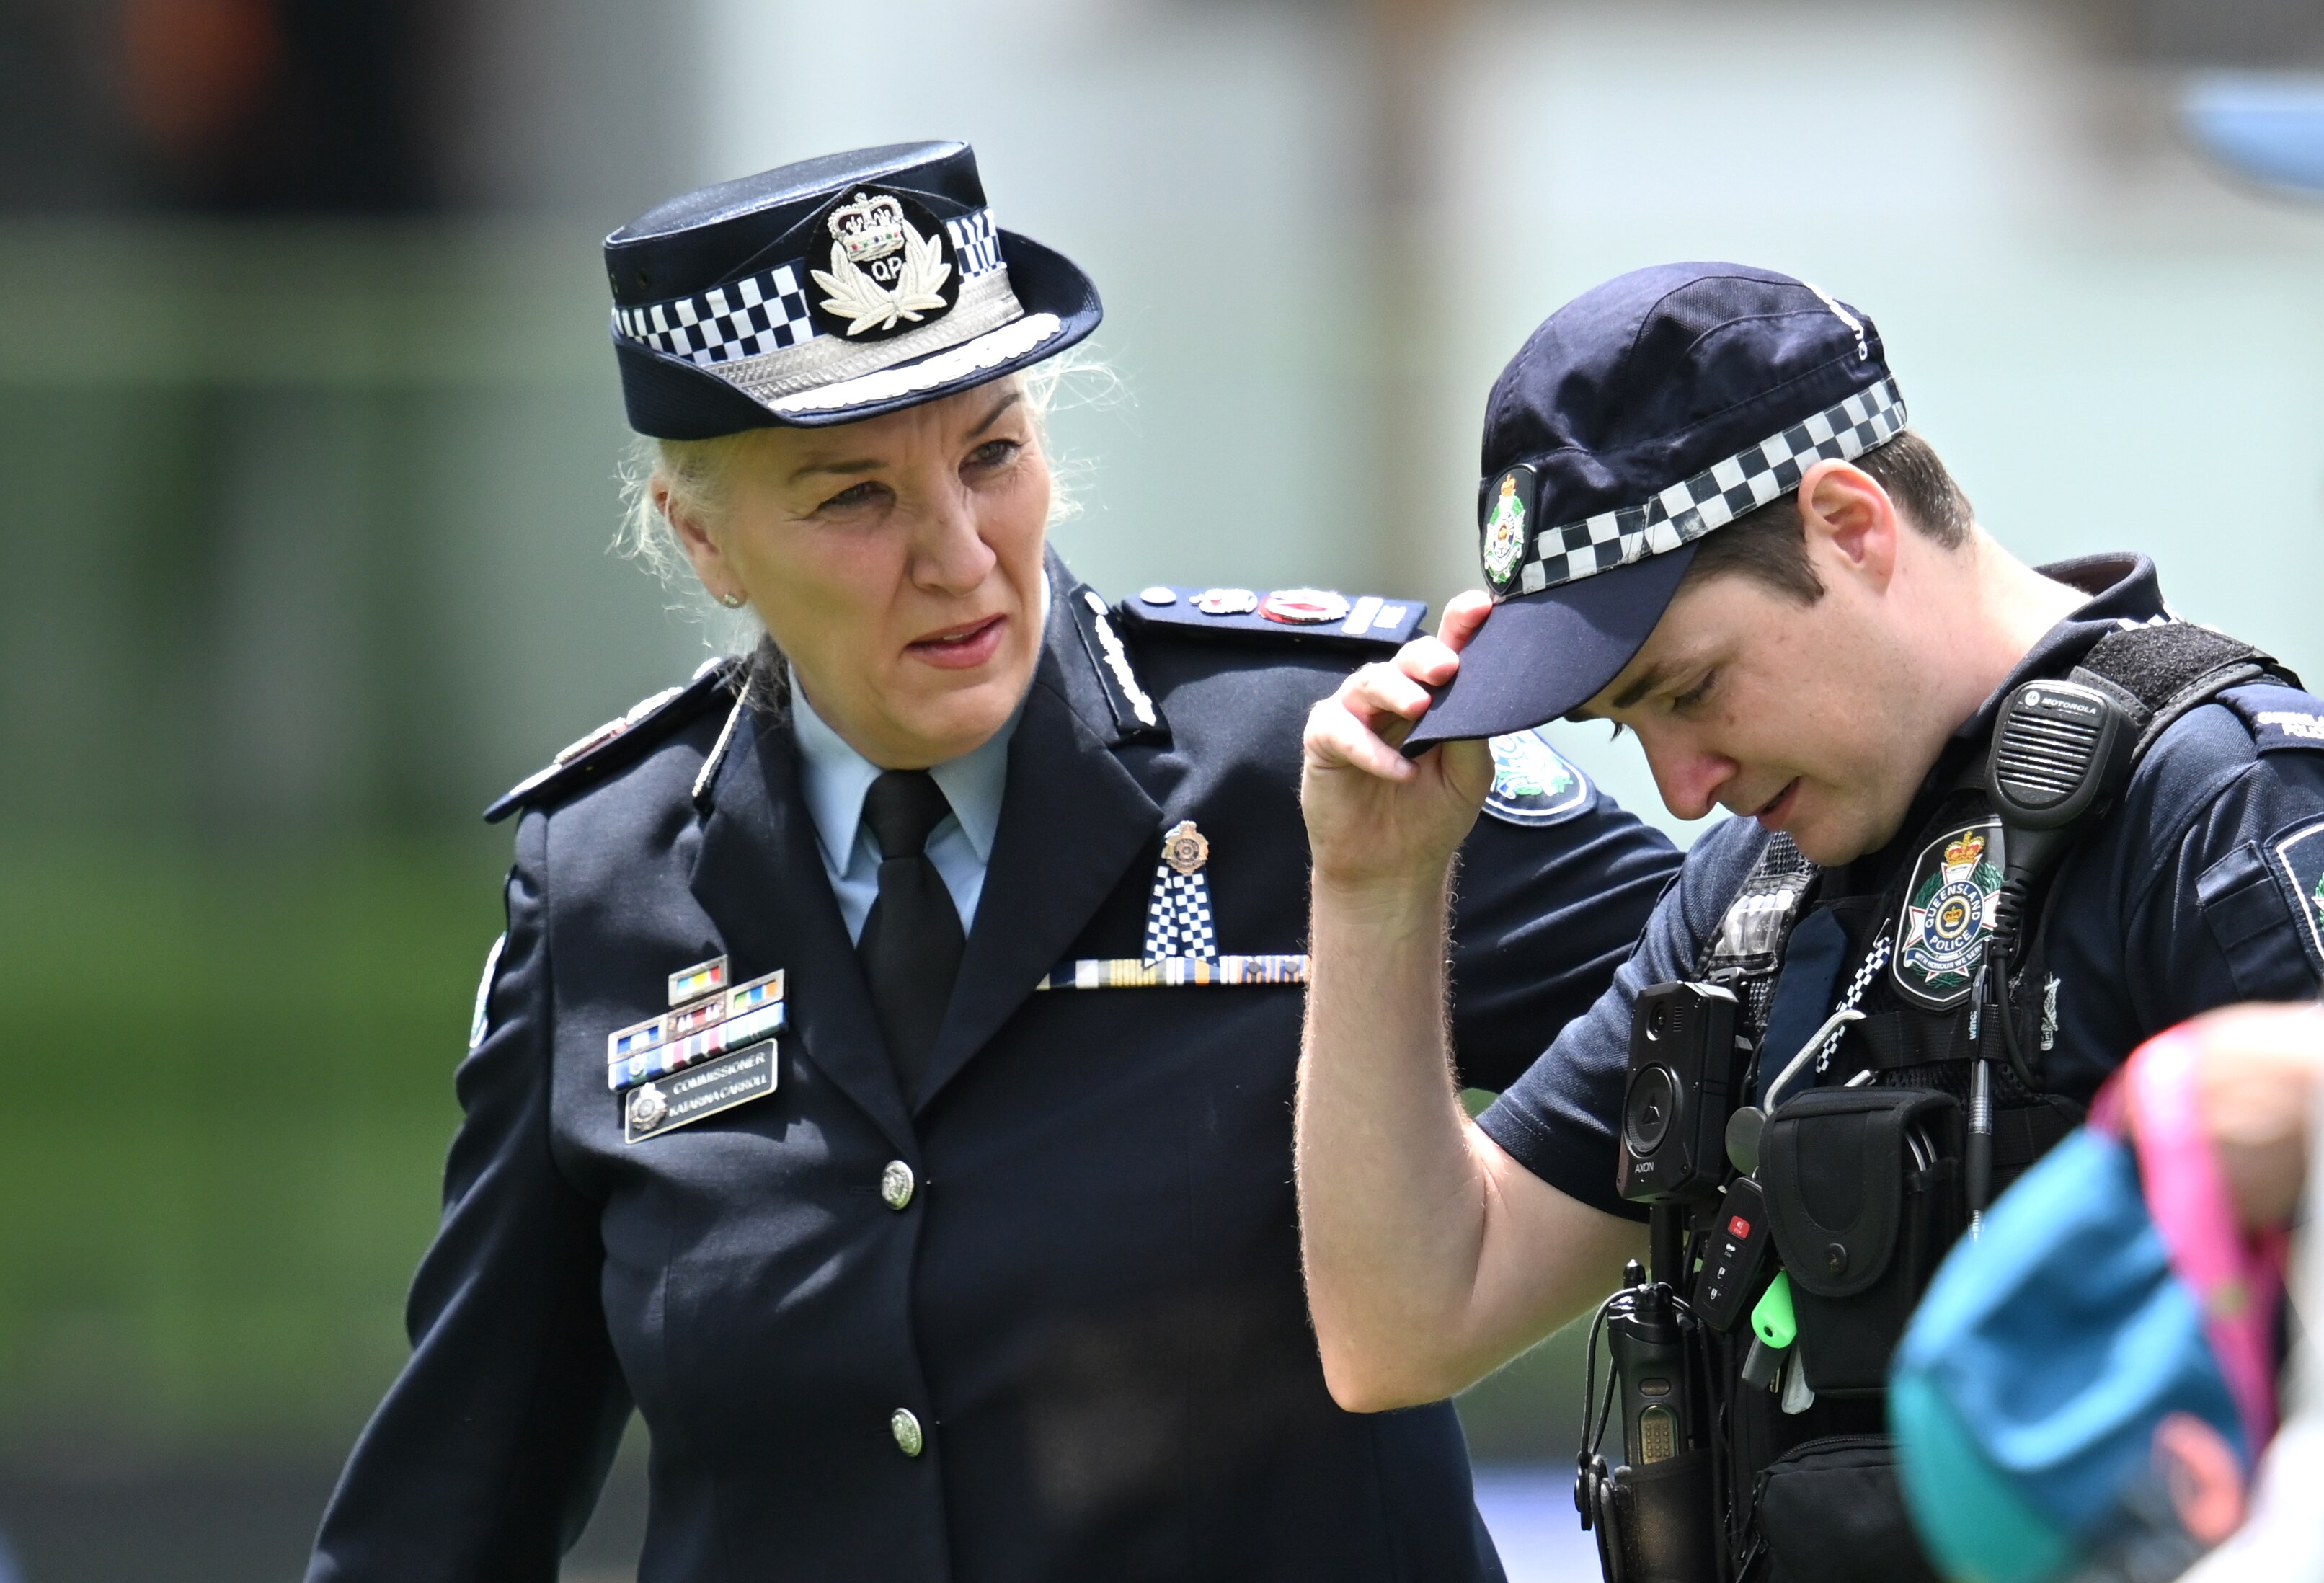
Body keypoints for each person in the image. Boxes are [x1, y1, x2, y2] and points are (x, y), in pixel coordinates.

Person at [303, 142, 1680, 1582]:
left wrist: (1495, 1219)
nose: (957, 554)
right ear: (700, 540)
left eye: (991, 454)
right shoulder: (601, 880)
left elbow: (1762, 985)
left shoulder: (1314, 767)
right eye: (854, 498)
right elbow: (451, 1501)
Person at [1293, 262, 2324, 1580]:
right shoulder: (1751, 897)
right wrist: (1375, 889)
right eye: (1628, 727)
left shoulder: (2217, 805)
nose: (1678, 788)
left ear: (1850, 522)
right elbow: (1405, 1324)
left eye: (1694, 688)